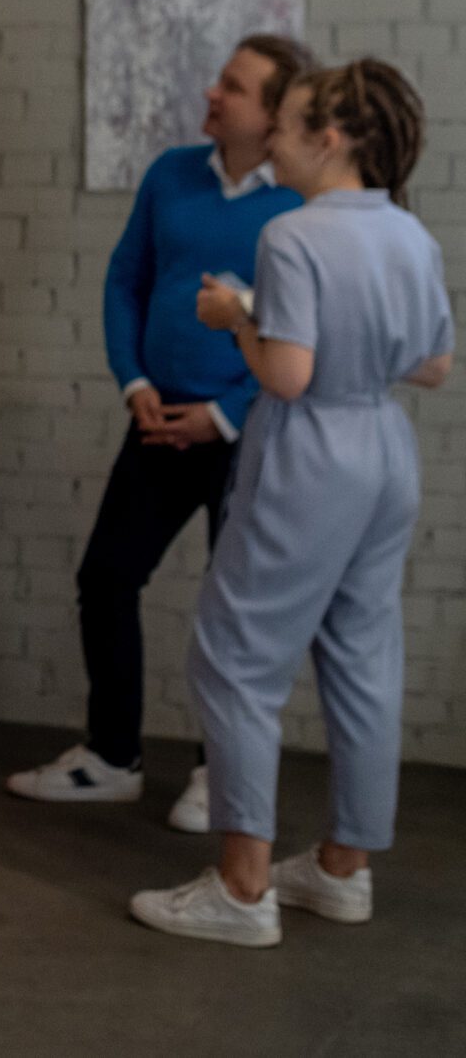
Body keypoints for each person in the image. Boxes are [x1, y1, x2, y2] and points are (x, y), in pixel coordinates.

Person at [131, 59, 452, 946]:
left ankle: (242, 888)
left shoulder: (295, 235)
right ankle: (344, 868)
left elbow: (288, 372)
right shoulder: (408, 236)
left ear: (332, 138)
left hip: (310, 451)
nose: (272, 133)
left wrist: (238, 314)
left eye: (292, 120)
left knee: (234, 658)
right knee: (362, 656)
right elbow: (432, 364)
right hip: (385, 450)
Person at [9, 35, 310, 823]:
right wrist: (134, 381)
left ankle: (223, 774)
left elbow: (309, 334)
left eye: (234, 88)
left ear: (273, 114)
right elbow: (125, 279)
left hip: (249, 435)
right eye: (219, 80)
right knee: (107, 577)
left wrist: (224, 413)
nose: (213, 93)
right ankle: (113, 756)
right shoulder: (171, 173)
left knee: (234, 610)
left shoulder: (301, 204)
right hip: (156, 419)